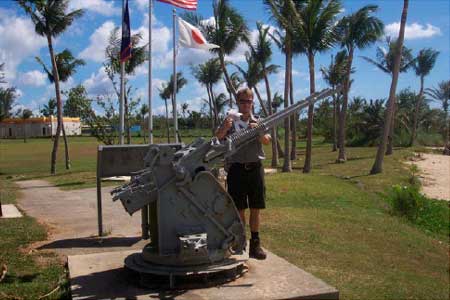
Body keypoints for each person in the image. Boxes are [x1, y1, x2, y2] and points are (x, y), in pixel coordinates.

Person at [215, 87, 271, 260]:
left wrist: (259, 131)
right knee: (239, 209)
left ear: (252, 102)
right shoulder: (231, 121)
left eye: (249, 101)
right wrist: (225, 127)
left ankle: (255, 244)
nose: (246, 104)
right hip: (237, 169)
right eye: (243, 101)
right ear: (237, 102)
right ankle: (240, 241)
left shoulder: (259, 121)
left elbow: (267, 140)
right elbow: (217, 138)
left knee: (256, 208)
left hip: (255, 168)